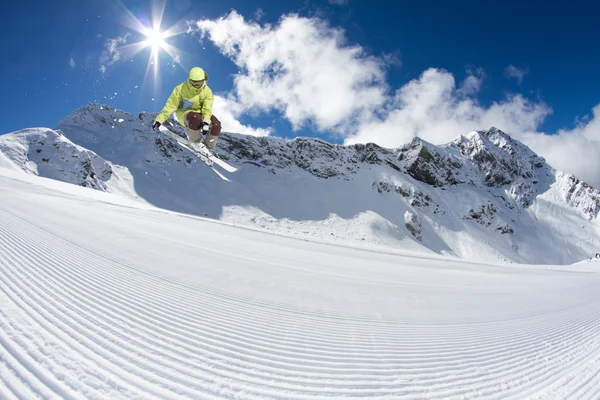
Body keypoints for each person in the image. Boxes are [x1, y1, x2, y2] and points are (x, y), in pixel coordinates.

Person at [152, 67, 222, 150]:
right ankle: (195, 143)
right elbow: (171, 105)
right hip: (185, 114)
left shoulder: (207, 91)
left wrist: (206, 121)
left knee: (216, 124)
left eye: (199, 83)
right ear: (189, 79)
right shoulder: (180, 89)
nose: (196, 85)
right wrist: (160, 119)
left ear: (204, 81)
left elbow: (207, 108)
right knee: (195, 118)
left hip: (201, 112)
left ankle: (208, 148)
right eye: (193, 82)